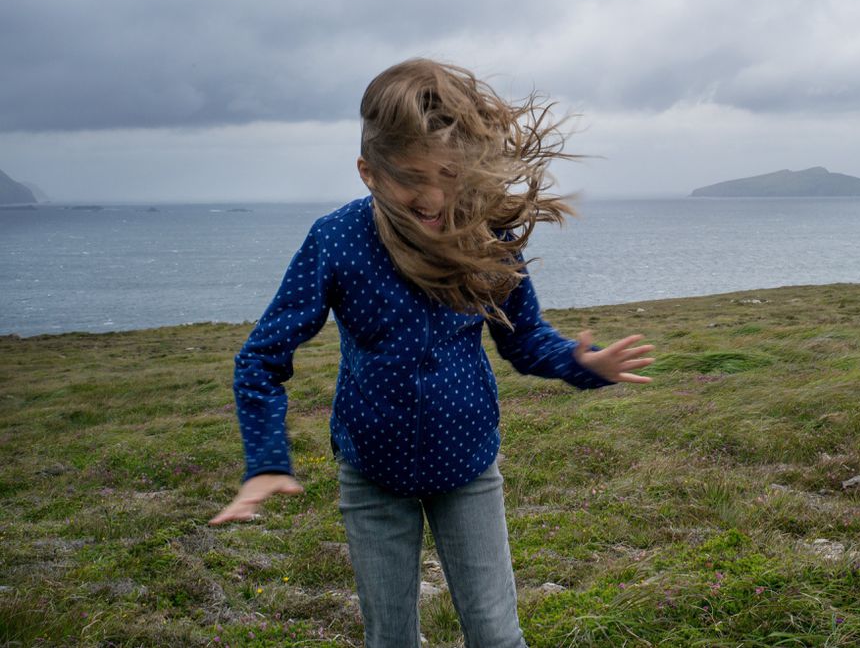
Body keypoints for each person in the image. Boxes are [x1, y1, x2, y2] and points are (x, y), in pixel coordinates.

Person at [210, 59, 654, 648]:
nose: (435, 197)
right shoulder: (335, 239)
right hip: (371, 473)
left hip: (468, 465)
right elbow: (261, 357)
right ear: (368, 171)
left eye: (450, 174)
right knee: (389, 641)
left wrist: (582, 365)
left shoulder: (486, 235)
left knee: (497, 637)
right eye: (412, 177)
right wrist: (266, 460)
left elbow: (522, 338)